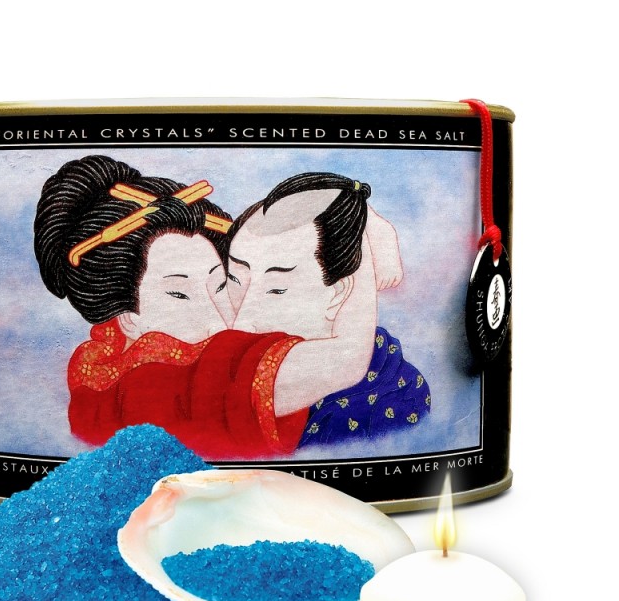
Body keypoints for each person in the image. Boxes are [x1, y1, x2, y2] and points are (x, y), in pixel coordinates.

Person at [34, 156, 378, 459]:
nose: (220, 321)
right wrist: (362, 235)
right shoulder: (162, 386)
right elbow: (346, 360)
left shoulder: (100, 373)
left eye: (221, 285)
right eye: (179, 295)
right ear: (127, 317)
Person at [226, 172, 430, 447]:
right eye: (233, 280)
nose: (240, 323)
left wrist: (361, 218)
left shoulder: (394, 395)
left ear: (339, 293)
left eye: (276, 289)